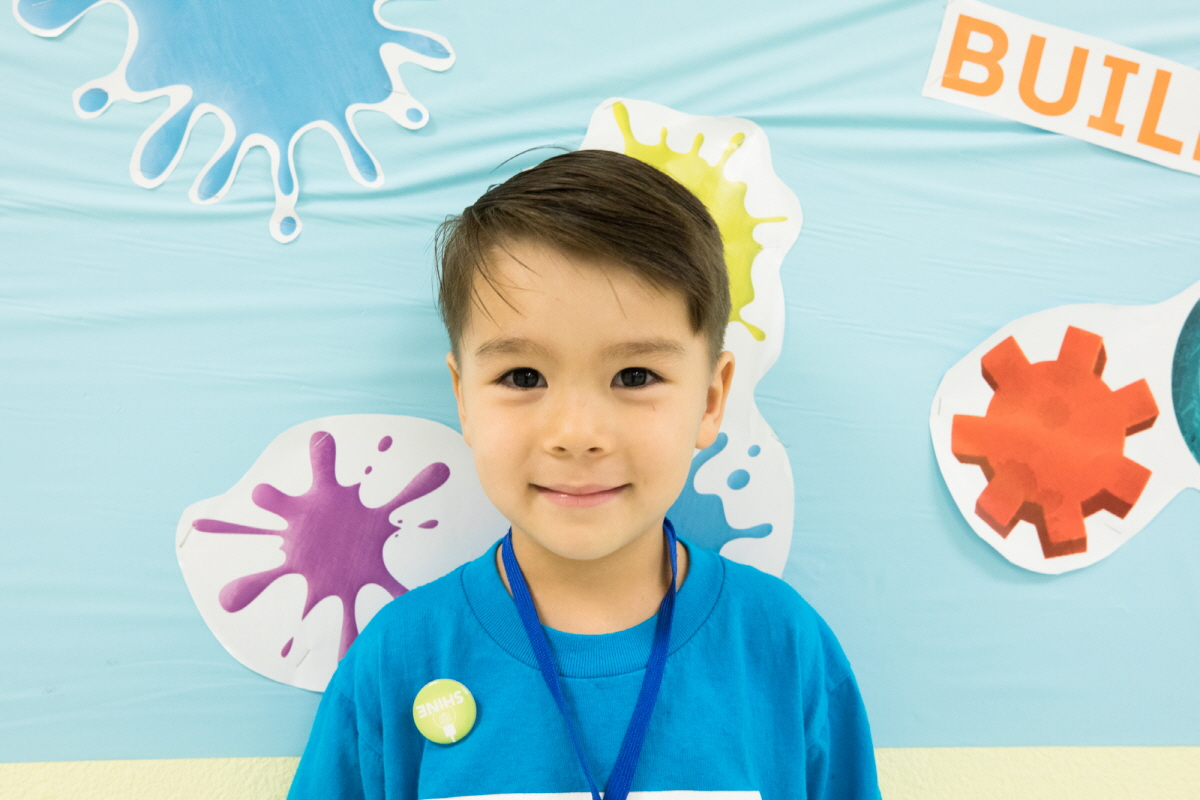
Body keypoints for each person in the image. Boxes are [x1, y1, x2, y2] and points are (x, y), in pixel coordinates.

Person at [287, 149, 881, 800]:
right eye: (523, 377)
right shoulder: (398, 659)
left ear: (711, 399)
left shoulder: (784, 649)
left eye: (635, 376)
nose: (576, 434)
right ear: (464, 400)